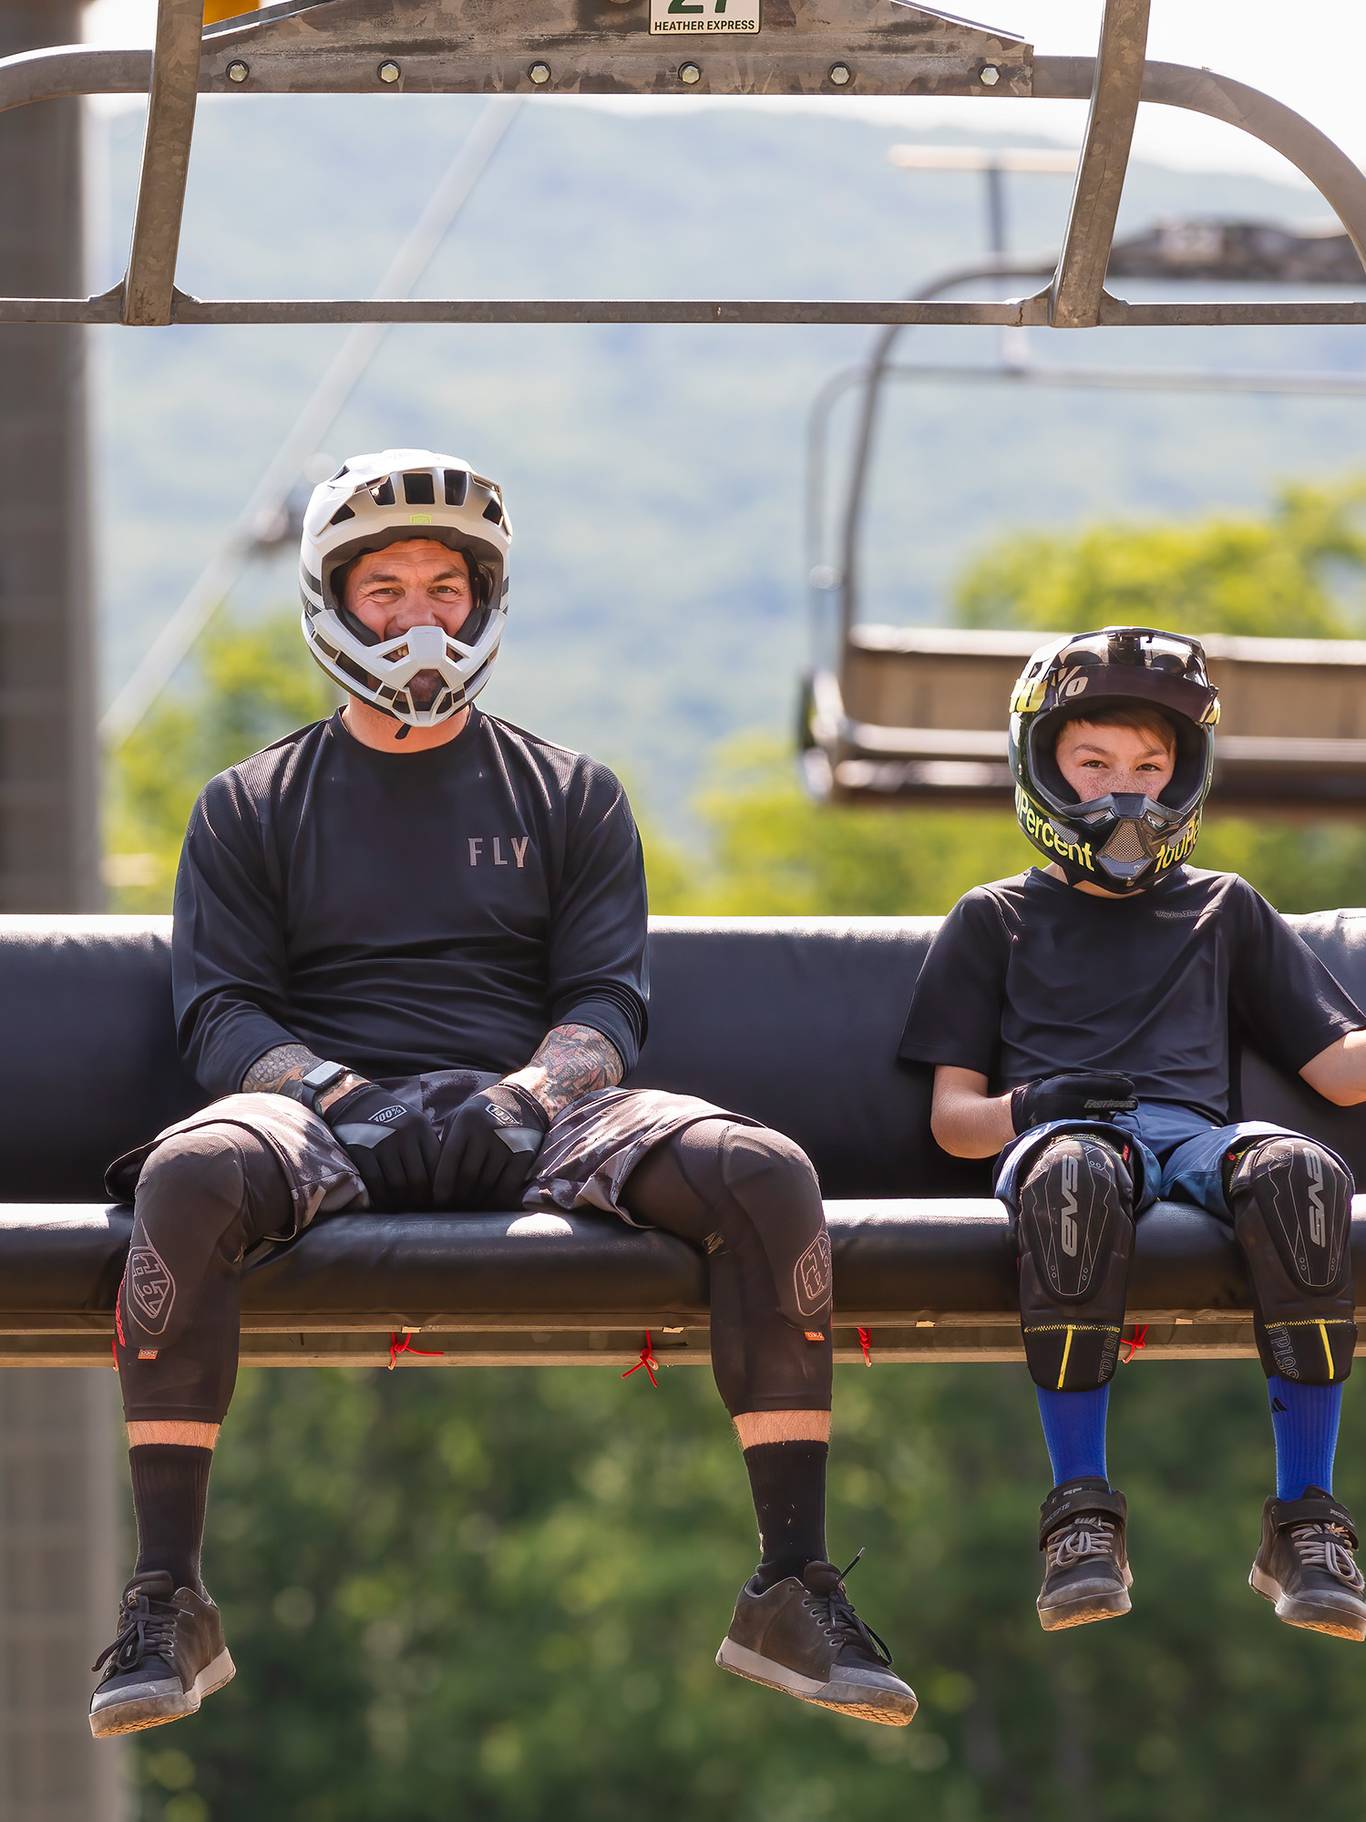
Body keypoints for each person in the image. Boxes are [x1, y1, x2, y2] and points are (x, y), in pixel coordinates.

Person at [89, 449, 915, 1738]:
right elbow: (220, 1012)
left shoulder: (572, 792)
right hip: (320, 1115)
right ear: (330, 601)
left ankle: (792, 1587)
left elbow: (607, 1003)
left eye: (443, 586)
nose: (419, 616)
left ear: (482, 604)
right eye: (385, 588)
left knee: (767, 1173)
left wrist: (529, 1095)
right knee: (189, 1174)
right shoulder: (247, 803)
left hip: (532, 1111)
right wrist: (340, 1092)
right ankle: (166, 1600)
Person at [899, 626, 1366, 1640]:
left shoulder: (1224, 909)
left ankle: (1306, 1522)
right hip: (1065, 1134)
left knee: (1301, 1170)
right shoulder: (991, 919)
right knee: (1070, 1177)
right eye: (1095, 764)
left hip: (1199, 1139)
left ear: (1186, 777)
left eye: (1151, 769)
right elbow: (955, 1124)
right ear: (1042, 769)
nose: (1127, 794)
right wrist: (1040, 1103)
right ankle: (1080, 1515)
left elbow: (1339, 1067)